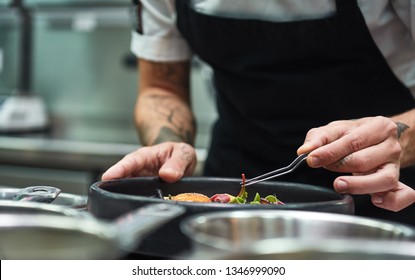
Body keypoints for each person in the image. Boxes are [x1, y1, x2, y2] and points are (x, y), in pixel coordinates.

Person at [103, 0, 415, 225]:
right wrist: (168, 141)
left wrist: (399, 139)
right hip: (234, 188)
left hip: (384, 190)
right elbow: (161, 88)